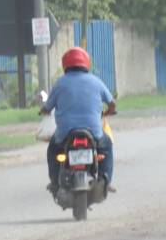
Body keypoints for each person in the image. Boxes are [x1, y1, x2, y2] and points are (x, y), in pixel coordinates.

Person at [40, 46, 116, 191]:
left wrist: (43, 111)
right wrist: (109, 112)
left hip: (65, 133)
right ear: (86, 63)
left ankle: (55, 181)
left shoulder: (60, 83)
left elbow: (48, 107)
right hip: (93, 131)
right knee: (106, 148)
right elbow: (112, 103)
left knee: (53, 151)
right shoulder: (96, 81)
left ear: (65, 64)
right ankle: (106, 180)